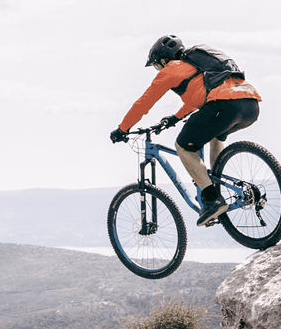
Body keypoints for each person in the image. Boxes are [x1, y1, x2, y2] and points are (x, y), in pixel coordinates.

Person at [110, 34, 262, 227]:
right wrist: (174, 118)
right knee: (215, 135)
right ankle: (215, 183)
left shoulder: (172, 69)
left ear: (165, 59)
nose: (158, 69)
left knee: (183, 147)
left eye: (157, 65)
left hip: (223, 104)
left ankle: (212, 198)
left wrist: (122, 129)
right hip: (249, 104)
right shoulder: (195, 65)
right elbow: (197, 98)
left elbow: (143, 103)